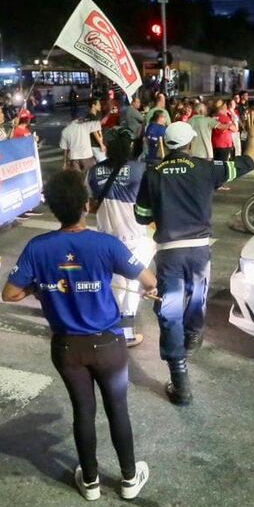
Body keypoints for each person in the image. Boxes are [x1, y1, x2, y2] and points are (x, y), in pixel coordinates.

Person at [3, 169, 156, 501]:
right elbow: (148, 279)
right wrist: (150, 288)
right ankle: (129, 480)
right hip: (109, 345)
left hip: (67, 347)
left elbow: (10, 294)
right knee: (117, 409)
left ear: (54, 208)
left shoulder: (38, 247)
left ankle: (90, 483)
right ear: (86, 205)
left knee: (83, 411)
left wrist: (40, 287)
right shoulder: (105, 243)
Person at [135, 111, 254, 405]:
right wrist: (252, 137)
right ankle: (194, 336)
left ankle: (181, 384)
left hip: (169, 254)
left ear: (166, 145)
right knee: (196, 297)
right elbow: (248, 162)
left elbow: (141, 217)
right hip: (200, 250)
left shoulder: (153, 173)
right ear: (191, 145)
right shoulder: (206, 168)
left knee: (169, 311)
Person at [87, 131, 154, 347]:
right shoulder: (140, 170)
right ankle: (127, 332)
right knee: (134, 283)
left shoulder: (94, 172)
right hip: (136, 237)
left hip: (106, 238)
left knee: (116, 283)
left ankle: (111, 328)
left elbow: (89, 205)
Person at [59, 102, 103, 172]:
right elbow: (99, 124)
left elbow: (65, 150)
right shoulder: (85, 126)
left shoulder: (65, 131)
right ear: (79, 118)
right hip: (87, 157)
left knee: (77, 179)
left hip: (74, 159)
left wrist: (65, 163)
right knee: (88, 178)